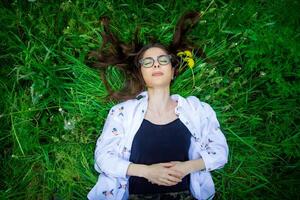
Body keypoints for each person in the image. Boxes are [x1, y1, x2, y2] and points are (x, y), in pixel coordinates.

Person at [86, 11, 229, 200]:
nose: (156, 65)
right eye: (148, 62)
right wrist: (146, 172)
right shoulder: (122, 113)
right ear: (141, 74)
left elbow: (220, 152)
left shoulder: (197, 110)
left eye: (163, 60)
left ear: (173, 72)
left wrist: (187, 167)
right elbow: (103, 158)